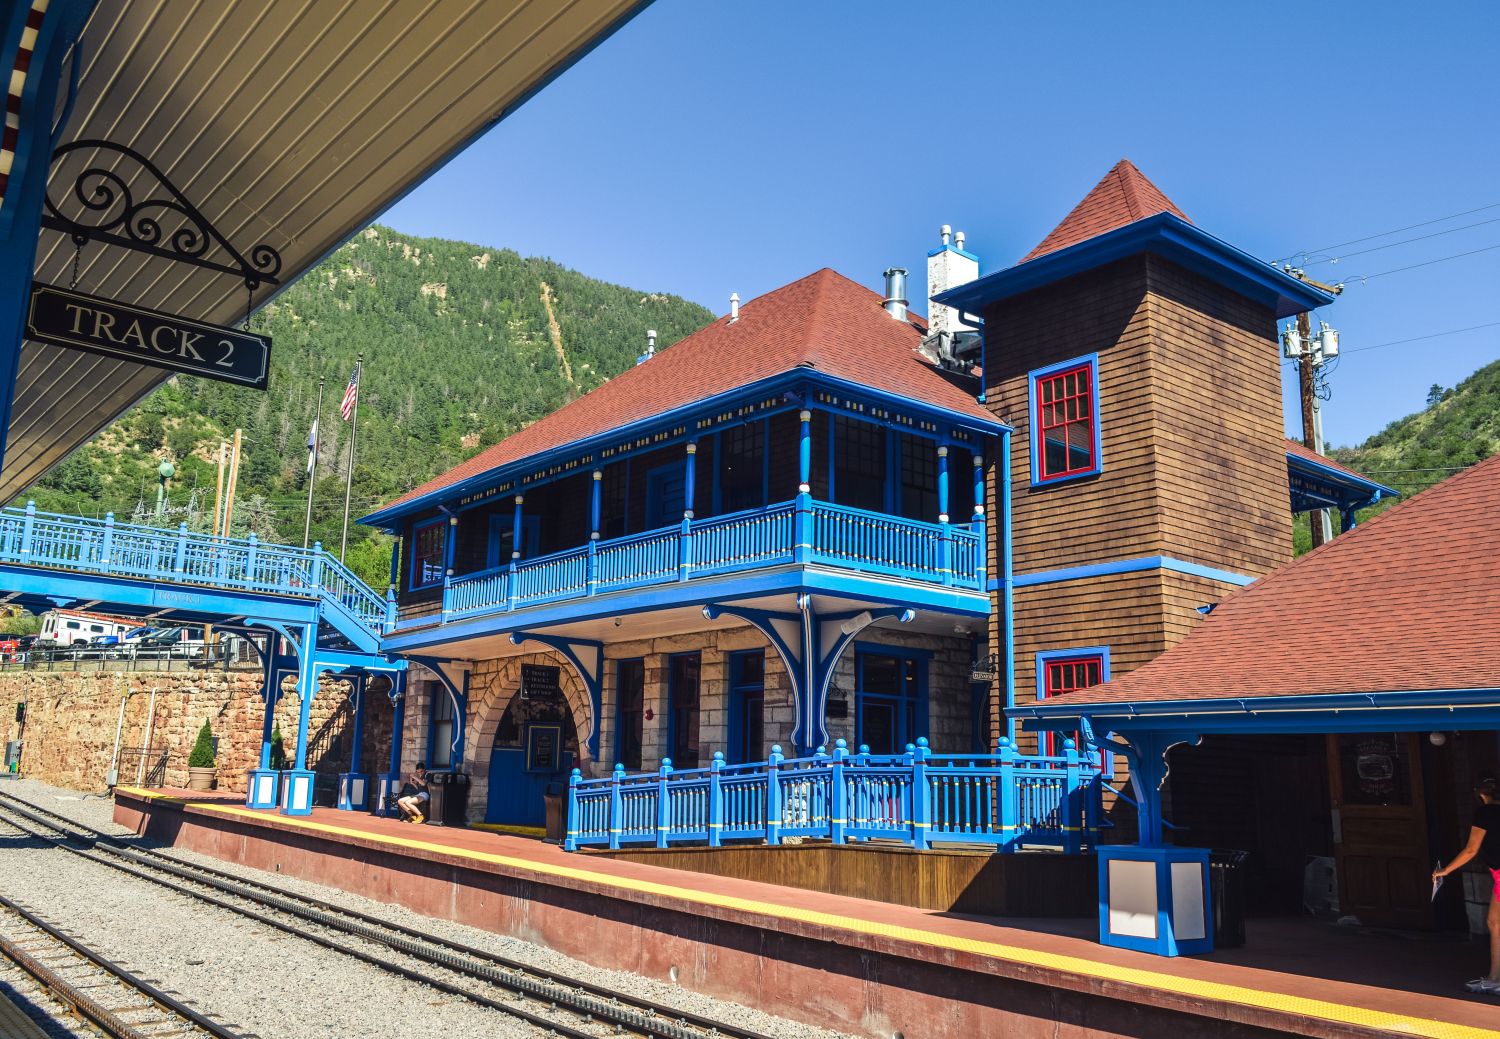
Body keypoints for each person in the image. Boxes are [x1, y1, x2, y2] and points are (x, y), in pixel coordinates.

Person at [1435, 774, 1500, 994]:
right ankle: (1494, 977)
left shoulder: (1485, 813)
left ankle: (1494, 978)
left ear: (1481, 794)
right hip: (1497, 874)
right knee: (1494, 922)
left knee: (1496, 923)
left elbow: (1471, 849)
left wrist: (1446, 870)